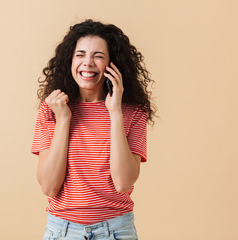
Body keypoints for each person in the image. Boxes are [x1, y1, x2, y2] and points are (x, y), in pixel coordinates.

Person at [31, 19, 156, 240]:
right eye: (80, 55)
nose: (87, 63)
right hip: (62, 232)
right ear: (69, 60)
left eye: (98, 56)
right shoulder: (52, 108)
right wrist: (63, 120)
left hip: (117, 231)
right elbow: (49, 187)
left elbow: (123, 182)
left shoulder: (132, 111)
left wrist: (114, 113)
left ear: (112, 64)